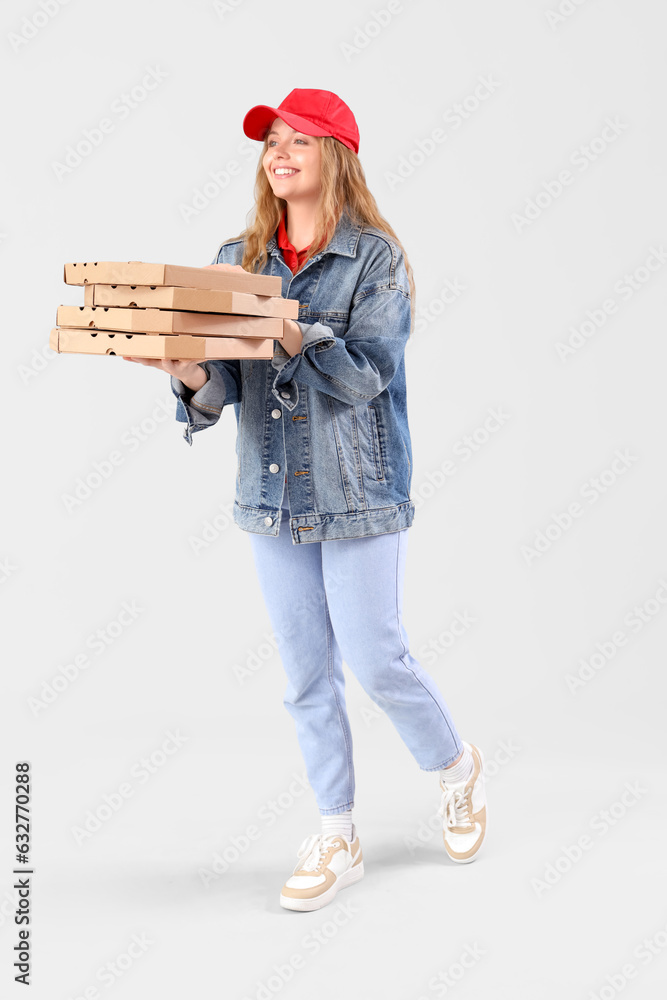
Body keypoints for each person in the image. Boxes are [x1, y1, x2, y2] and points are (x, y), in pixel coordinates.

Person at [122, 88, 487, 912]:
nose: (279, 153)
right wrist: (181, 371)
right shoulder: (235, 256)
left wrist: (286, 327)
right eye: (270, 142)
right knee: (303, 677)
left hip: (356, 489)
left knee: (376, 660)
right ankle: (336, 833)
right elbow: (221, 391)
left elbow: (365, 377)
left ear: (337, 157)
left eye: (299, 140)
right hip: (272, 497)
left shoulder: (374, 260)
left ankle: (454, 767)